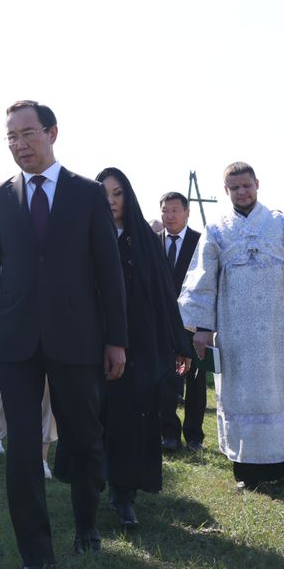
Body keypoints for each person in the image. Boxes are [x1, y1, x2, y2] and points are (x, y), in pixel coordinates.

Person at [0, 100, 127, 569]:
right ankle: (37, 557)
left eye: (27, 133)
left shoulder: (86, 195)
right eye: (11, 137)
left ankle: (86, 526)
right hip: (14, 341)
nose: (19, 144)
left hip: (76, 338)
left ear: (52, 133)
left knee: (82, 438)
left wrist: (116, 340)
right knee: (21, 445)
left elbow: (109, 273)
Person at [179, 163, 284, 487]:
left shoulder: (283, 225)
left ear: (257, 184)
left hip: (283, 330)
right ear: (226, 190)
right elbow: (202, 282)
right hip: (237, 335)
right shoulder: (215, 231)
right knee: (245, 397)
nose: (242, 192)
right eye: (234, 188)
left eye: (247, 185)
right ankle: (251, 473)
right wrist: (200, 327)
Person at [84, 169, 191, 531]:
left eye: (118, 194)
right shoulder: (85, 236)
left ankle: (125, 495)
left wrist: (179, 342)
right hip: (93, 345)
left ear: (128, 197)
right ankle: (93, 485)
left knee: (132, 422)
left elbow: (163, 294)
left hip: (139, 347)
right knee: (97, 419)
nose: (111, 201)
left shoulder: (143, 238)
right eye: (104, 194)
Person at [157, 191, 206, 452]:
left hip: (193, 323)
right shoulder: (153, 242)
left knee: (195, 381)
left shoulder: (201, 242)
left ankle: (194, 435)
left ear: (187, 212)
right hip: (162, 324)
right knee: (165, 380)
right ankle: (169, 433)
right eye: (165, 210)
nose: (170, 215)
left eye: (175, 210)